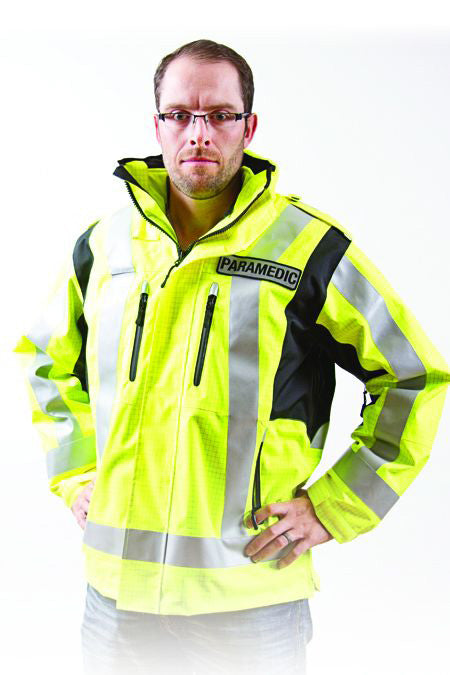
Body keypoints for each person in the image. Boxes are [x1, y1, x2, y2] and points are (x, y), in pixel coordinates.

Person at [13, 38, 449, 675]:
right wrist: (77, 475)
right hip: (116, 598)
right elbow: (43, 360)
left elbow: (415, 376)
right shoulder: (105, 246)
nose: (199, 133)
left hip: (249, 599)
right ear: (157, 125)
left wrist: (335, 507)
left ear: (248, 127)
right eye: (180, 114)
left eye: (219, 115)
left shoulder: (307, 248)